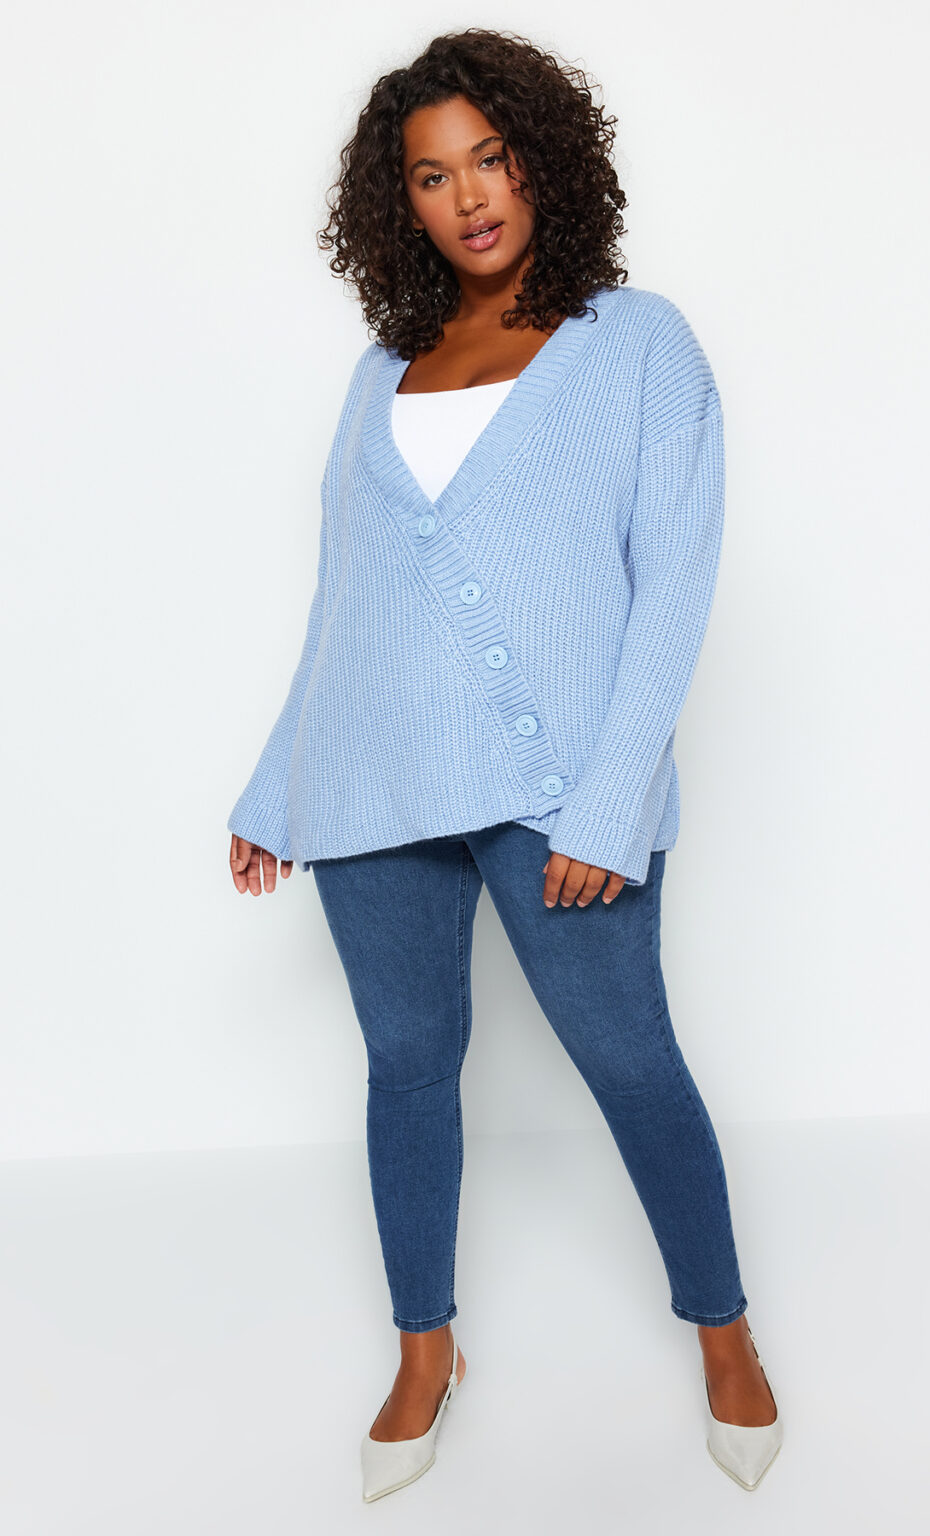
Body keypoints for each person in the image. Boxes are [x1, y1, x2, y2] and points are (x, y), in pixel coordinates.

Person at [227, 28, 783, 1501]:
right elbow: (350, 605)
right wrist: (280, 783)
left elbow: (674, 584)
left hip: (560, 797)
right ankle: (427, 1348)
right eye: (431, 175)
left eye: (490, 157)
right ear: (397, 202)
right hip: (369, 788)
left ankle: (724, 1328)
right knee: (408, 1068)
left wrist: (610, 800)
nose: (468, 196)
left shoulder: (639, 341)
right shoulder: (382, 372)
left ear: (543, 160)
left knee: (630, 1062)